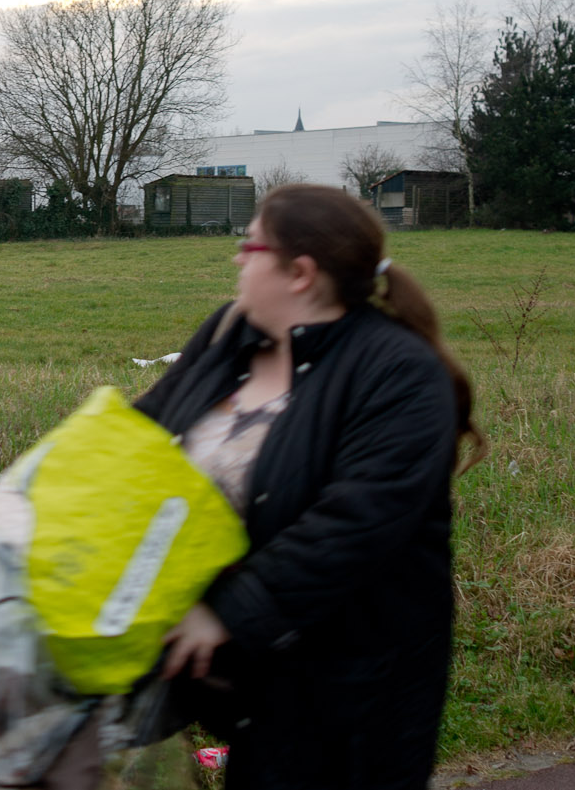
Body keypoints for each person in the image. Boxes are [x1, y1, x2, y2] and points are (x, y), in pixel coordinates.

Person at [134, 184, 485, 790]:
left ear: (299, 272)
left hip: (348, 690)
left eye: (249, 244)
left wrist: (223, 616)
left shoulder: (398, 373)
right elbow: (140, 439)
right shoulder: (229, 334)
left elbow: (354, 524)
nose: (237, 258)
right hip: (246, 675)